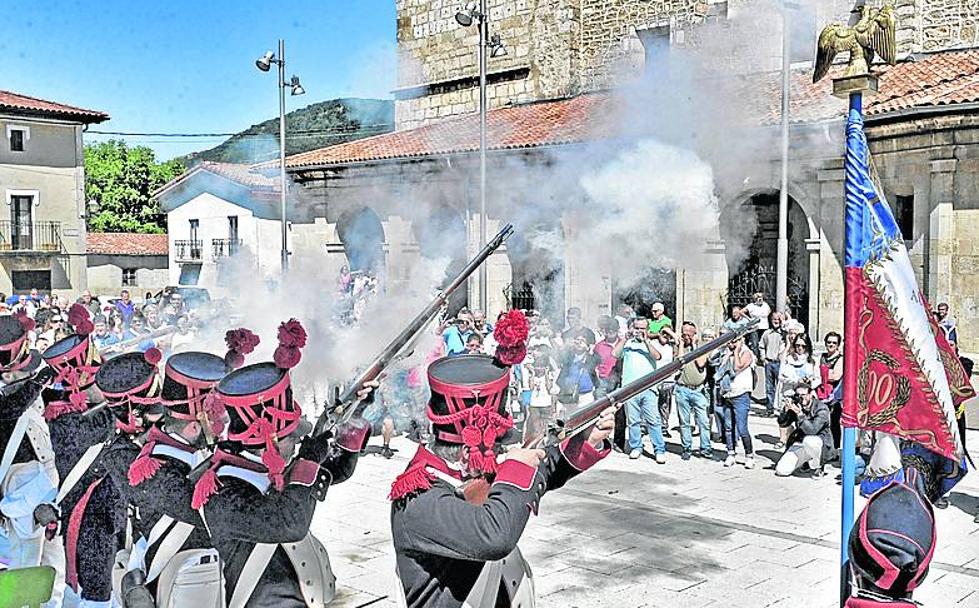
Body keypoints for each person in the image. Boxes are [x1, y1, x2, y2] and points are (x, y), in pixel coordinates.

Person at [389, 312, 613, 608]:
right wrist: (517, 465)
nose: (501, 444)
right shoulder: (418, 496)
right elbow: (494, 535)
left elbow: (537, 472)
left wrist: (586, 442)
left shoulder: (469, 472)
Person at [192, 319, 375, 607]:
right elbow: (289, 523)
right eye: (291, 434)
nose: (298, 439)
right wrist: (309, 458)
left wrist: (356, 411)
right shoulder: (223, 489)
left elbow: (337, 470)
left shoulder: (268, 467)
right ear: (270, 440)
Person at [0, 314, 65, 607]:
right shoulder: (14, 396)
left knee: (54, 564)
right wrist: (40, 379)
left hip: (47, 483)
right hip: (19, 488)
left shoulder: (30, 391)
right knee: (25, 565)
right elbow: (12, 408)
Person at [613, 317, 664, 462]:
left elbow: (657, 356)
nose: (639, 331)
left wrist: (646, 340)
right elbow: (615, 354)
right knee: (633, 421)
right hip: (630, 388)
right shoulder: (627, 343)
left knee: (653, 420)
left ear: (647, 329)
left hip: (648, 387)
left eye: (642, 328)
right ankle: (636, 447)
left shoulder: (651, 344)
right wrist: (625, 339)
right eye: (637, 328)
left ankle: (659, 449)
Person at [774, 384, 833, 478]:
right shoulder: (797, 405)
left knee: (809, 440)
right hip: (800, 442)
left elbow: (812, 430)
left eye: (804, 395)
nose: (801, 398)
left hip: (819, 444)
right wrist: (785, 410)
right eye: (798, 395)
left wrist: (800, 414)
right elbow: (783, 424)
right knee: (781, 470)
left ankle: (819, 467)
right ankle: (806, 463)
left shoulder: (821, 408)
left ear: (811, 394)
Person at [675, 322, 712, 460]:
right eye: (684, 332)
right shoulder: (680, 348)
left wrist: (695, 346)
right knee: (684, 422)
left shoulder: (702, 347)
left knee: (703, 421)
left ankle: (705, 448)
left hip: (698, 390)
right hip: (682, 388)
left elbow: (701, 363)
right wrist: (680, 345)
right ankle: (686, 448)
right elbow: (679, 363)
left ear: (695, 333)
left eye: (689, 332)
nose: (686, 335)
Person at [776, 333, 820, 449]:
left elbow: (818, 379)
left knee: (804, 425)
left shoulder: (812, 360)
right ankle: (789, 448)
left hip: (806, 398)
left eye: (803, 346)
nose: (800, 348)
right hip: (790, 395)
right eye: (797, 345)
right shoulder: (787, 359)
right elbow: (781, 377)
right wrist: (796, 380)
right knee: (788, 423)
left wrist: (809, 382)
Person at [718, 332, 755, 468]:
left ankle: (749, 455)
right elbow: (719, 370)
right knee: (728, 427)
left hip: (741, 394)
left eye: (735, 341)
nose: (732, 344)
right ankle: (731, 453)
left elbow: (737, 367)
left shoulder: (747, 353)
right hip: (728, 394)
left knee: (742, 427)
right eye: (730, 342)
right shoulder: (727, 353)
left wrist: (738, 350)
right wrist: (727, 355)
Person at [555, 333, 600, 407]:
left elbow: (597, 361)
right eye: (577, 340)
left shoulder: (591, 357)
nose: (579, 343)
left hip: (586, 395)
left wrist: (589, 350)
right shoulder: (568, 356)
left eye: (582, 341)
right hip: (569, 395)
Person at [818, 332, 844, 450]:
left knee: (834, 423)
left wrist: (822, 373)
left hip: (834, 396)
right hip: (821, 395)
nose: (831, 344)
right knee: (822, 422)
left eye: (834, 342)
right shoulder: (822, 356)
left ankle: (835, 448)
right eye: (829, 342)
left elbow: (836, 376)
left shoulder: (840, 359)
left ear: (838, 345)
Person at [759, 312, 785, 417]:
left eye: (778, 319)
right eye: (774, 319)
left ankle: (779, 408)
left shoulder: (784, 334)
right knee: (769, 387)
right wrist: (763, 358)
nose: (776, 321)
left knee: (780, 387)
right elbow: (761, 346)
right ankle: (769, 408)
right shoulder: (767, 333)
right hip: (769, 362)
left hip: (780, 363)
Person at [651, 326, 676, 438]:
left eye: (667, 334)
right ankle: (647, 426)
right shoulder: (653, 344)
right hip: (654, 379)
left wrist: (670, 333)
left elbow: (678, 340)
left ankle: (664, 426)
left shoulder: (672, 346)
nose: (665, 336)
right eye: (663, 333)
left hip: (668, 380)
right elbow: (646, 335)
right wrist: (658, 334)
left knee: (665, 405)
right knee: (652, 404)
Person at [743, 292, 771, 357]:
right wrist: (749, 319)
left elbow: (769, 311)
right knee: (755, 343)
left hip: (764, 326)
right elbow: (741, 312)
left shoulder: (765, 305)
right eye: (758, 297)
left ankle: (764, 357)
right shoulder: (751, 306)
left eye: (761, 297)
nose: (760, 299)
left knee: (764, 342)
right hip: (755, 327)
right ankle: (756, 358)